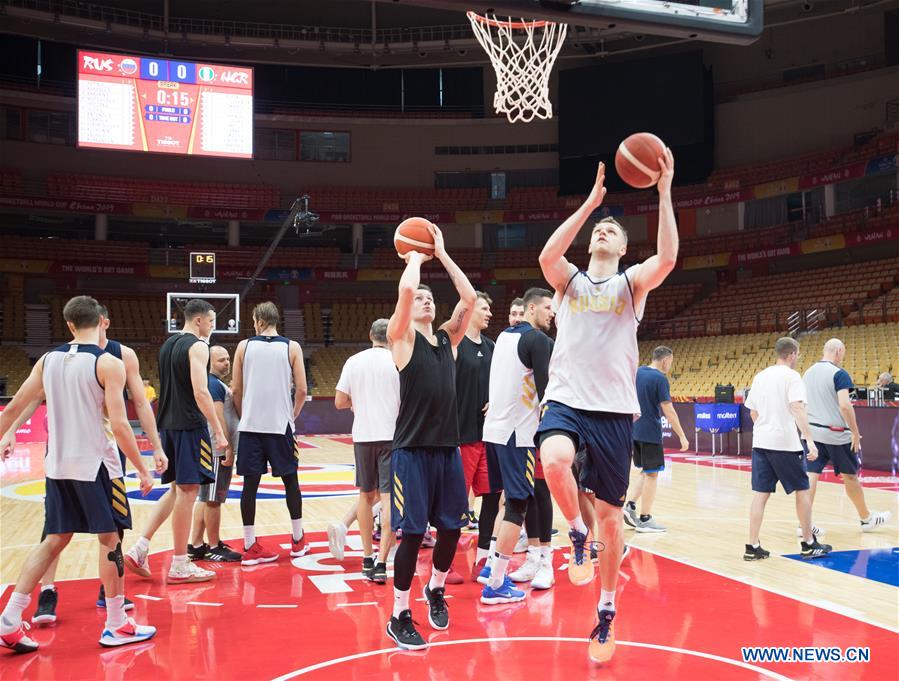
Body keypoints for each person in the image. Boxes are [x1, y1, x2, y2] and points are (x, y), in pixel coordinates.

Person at [536, 153, 678, 665]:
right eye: (601, 228)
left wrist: (663, 192)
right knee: (552, 461)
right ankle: (576, 532)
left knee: (615, 523)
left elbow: (666, 259)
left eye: (613, 230)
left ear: (622, 247)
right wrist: (590, 205)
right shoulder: (569, 282)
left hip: (614, 414)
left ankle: (607, 608)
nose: (604, 232)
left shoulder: (630, 284)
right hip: (568, 401)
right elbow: (548, 259)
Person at [0, 296, 161, 652]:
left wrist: (3, 434)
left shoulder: (48, 360)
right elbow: (120, 425)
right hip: (97, 466)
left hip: (57, 465)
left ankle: (9, 619)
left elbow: (12, 408)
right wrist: (142, 467)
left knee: (54, 539)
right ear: (102, 321)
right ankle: (117, 624)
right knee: (110, 541)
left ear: (69, 324)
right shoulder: (108, 362)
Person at [385, 222, 476, 650]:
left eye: (430, 298)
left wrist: (442, 254)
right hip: (411, 452)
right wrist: (415, 259)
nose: (425, 299)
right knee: (413, 531)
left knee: (453, 530)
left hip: (447, 451)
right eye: (422, 296)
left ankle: (435, 588)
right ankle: (399, 613)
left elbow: (470, 299)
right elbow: (406, 294)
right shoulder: (400, 339)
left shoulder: (447, 339)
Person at [124, 299, 227, 584]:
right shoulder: (198, 346)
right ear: (198, 321)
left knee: (175, 491)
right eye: (211, 322)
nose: (211, 327)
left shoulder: (168, 345)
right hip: (188, 426)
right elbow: (201, 392)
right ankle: (180, 564)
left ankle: (140, 547)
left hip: (167, 425)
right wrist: (218, 429)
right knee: (188, 492)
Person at [480, 287, 556, 603]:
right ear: (532, 309)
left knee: (518, 500)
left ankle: (516, 564)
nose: (552, 313)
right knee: (519, 504)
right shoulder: (537, 341)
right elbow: (547, 392)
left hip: (495, 433)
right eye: (548, 307)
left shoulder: (503, 339)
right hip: (519, 434)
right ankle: (496, 582)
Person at [231, 302, 308, 565]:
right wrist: (293, 415)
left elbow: (236, 390)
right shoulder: (292, 347)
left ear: (259, 321)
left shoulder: (243, 346)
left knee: (249, 487)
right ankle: (298, 541)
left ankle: (250, 545)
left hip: (251, 427)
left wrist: (245, 415)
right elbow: (301, 390)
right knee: (291, 482)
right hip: (280, 427)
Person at [744, 337, 833, 561]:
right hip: (784, 444)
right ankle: (808, 543)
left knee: (760, 495)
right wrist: (810, 440)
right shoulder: (792, 377)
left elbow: (752, 412)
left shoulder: (761, 376)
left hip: (761, 443)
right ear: (792, 354)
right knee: (802, 491)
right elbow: (797, 408)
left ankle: (752, 546)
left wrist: (766, 428)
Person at [334, 318, 400, 583]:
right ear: (391, 337)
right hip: (392, 437)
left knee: (365, 496)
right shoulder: (398, 360)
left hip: (363, 437)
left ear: (370, 334)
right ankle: (383, 561)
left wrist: (357, 400)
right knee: (388, 500)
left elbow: (339, 402)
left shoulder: (354, 361)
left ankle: (366, 556)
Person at [803, 339, 890, 533]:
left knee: (811, 475)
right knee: (850, 476)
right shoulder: (839, 374)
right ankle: (866, 518)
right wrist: (856, 433)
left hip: (813, 432)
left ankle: (804, 524)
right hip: (836, 434)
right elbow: (844, 405)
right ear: (839, 351)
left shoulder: (808, 372)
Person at [456, 292, 500, 583]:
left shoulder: (492, 346)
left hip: (488, 435)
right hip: (460, 435)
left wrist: (495, 400)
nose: (489, 314)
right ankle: (442, 567)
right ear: (470, 310)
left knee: (492, 498)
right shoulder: (455, 346)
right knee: (454, 504)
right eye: (484, 308)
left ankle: (483, 559)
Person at [623, 346, 690, 533]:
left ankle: (629, 506)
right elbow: (668, 410)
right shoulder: (660, 378)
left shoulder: (638, 372)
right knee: (653, 474)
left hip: (634, 429)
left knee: (645, 471)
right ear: (666, 360)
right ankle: (645, 518)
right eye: (671, 362)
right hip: (650, 432)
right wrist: (682, 436)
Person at [188, 345, 242, 562]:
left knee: (205, 497)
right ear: (209, 362)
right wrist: (227, 445)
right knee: (214, 500)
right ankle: (213, 546)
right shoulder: (212, 384)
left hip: (213, 448)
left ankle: (196, 544)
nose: (227, 363)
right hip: (217, 450)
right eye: (221, 360)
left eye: (228, 359)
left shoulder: (215, 384)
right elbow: (219, 416)